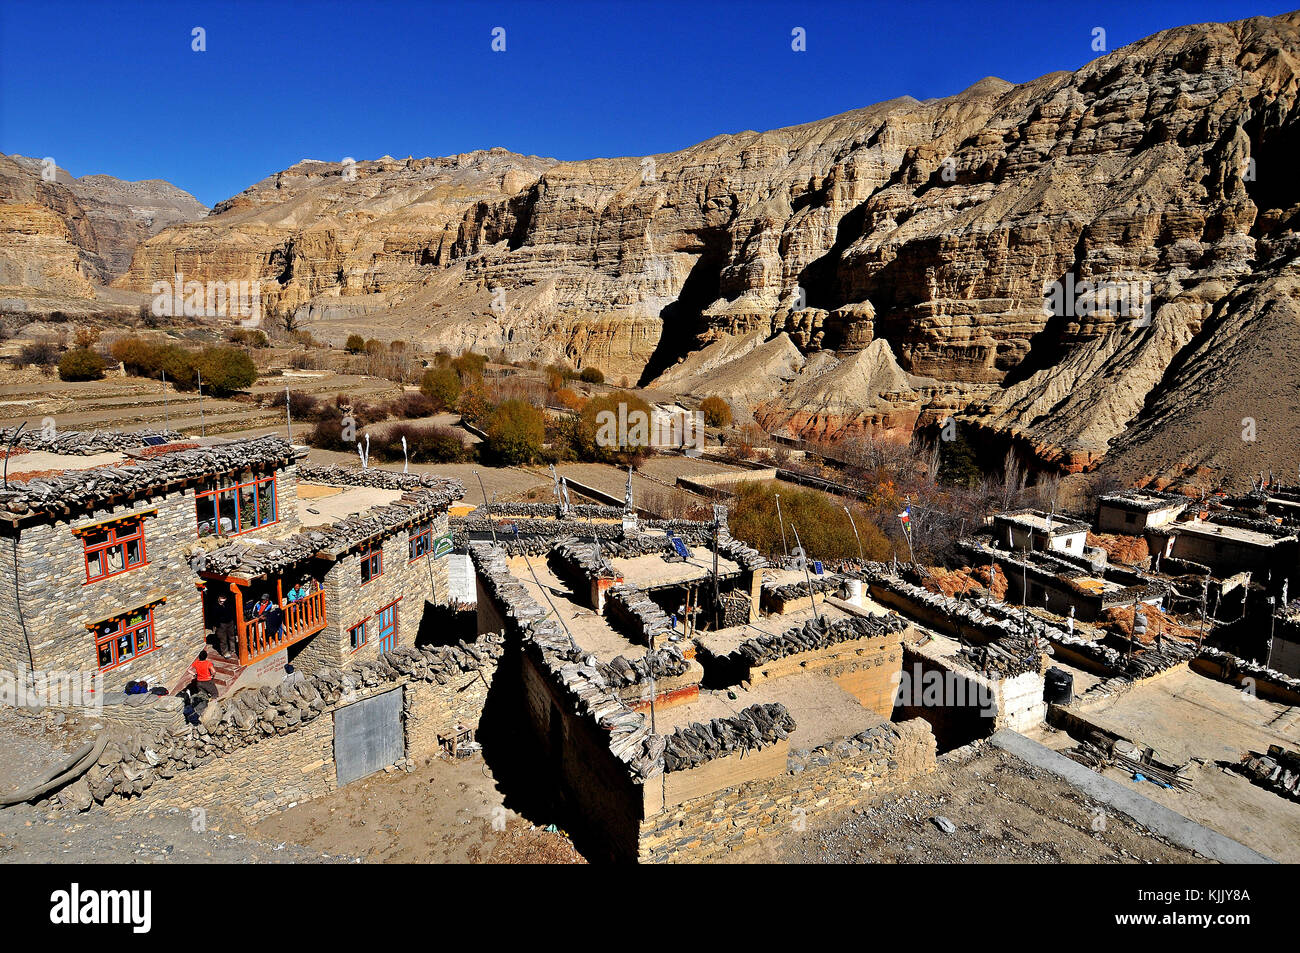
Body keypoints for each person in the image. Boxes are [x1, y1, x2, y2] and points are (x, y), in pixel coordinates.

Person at [212, 592, 238, 658]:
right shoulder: (215, 607)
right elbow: (214, 617)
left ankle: (232, 649)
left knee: (231, 637)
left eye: (224, 601)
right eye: (221, 601)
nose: (222, 603)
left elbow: (233, 612)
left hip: (230, 623)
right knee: (223, 640)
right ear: (218, 600)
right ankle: (225, 652)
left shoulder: (228, 605)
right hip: (221, 625)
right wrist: (216, 626)